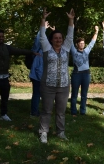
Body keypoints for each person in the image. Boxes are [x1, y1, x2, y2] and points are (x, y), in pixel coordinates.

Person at [38, 8, 74, 143]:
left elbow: (70, 36)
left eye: (60, 38)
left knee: (61, 111)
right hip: (48, 85)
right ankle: (43, 133)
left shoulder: (66, 48)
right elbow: (42, 36)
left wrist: (71, 20)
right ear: (52, 40)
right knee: (46, 110)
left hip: (64, 86)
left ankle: (60, 132)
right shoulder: (47, 48)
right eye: (55, 38)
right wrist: (43, 19)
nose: (58, 40)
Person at [70, 25, 99, 116]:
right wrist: (71, 27)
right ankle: (73, 111)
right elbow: (69, 40)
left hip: (86, 74)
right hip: (76, 74)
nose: (82, 44)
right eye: (80, 43)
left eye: (83, 43)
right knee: (74, 94)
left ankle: (83, 111)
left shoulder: (86, 51)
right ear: (77, 44)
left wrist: (96, 32)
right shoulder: (74, 51)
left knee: (84, 95)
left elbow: (92, 42)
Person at [29, 21, 55, 118]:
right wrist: (43, 28)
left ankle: (45, 111)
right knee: (37, 94)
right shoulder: (38, 50)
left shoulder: (51, 52)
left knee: (47, 95)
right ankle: (34, 112)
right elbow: (38, 39)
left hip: (46, 77)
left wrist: (54, 32)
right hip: (37, 77)